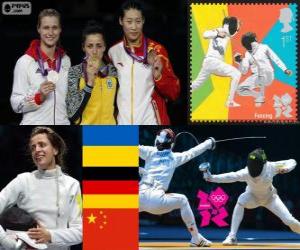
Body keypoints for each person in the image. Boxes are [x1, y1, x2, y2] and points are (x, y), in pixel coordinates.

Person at [0, 127, 82, 249]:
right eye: (33, 147)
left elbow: (81, 231)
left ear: (55, 149)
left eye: (42, 145)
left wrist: (50, 236)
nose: (37, 150)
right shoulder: (23, 180)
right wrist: (5, 240)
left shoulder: (72, 185)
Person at [201, 148, 300, 245]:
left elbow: (292, 161)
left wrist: (287, 168)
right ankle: (232, 236)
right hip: (253, 197)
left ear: (263, 164)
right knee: (241, 200)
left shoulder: (271, 166)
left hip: (271, 199)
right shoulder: (246, 172)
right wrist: (211, 178)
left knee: (289, 221)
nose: (253, 167)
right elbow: (230, 176)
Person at [139, 128, 215, 247]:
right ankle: (196, 238)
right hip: (157, 201)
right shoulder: (174, 157)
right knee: (183, 200)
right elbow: (193, 152)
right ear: (172, 143)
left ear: (156, 140)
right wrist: (208, 143)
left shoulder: (148, 151)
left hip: (139, 197)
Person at [108, 0, 180, 125]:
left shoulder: (157, 50)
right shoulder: (113, 52)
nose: (134, 27)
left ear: (143, 21)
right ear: (121, 21)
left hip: (150, 123)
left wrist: (158, 75)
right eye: (129, 22)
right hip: (121, 124)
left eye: (138, 21)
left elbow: (174, 92)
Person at [10, 9, 71, 125]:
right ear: (38, 29)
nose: (51, 32)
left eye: (55, 27)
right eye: (46, 27)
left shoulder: (66, 60)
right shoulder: (24, 62)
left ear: (60, 29)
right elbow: (15, 104)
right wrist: (39, 97)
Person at [66, 20, 118, 124]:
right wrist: (89, 83)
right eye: (90, 46)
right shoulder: (74, 72)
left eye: (98, 46)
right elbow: (71, 114)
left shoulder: (113, 72)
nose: (94, 51)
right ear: (83, 47)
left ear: (104, 47)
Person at [191, 16, 241, 107]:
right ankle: (229, 102)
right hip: (213, 62)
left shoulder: (227, 34)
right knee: (237, 74)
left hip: (209, 63)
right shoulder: (219, 30)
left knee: (196, 84)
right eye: (236, 25)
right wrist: (217, 33)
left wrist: (237, 28)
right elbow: (205, 34)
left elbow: (233, 33)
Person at [235, 32, 292, 107]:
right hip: (261, 77)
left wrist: (285, 69)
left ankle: (260, 95)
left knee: (259, 72)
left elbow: (244, 71)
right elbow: (276, 59)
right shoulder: (249, 53)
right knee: (239, 89)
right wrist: (240, 61)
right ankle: (259, 95)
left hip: (265, 75)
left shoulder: (263, 48)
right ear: (255, 39)